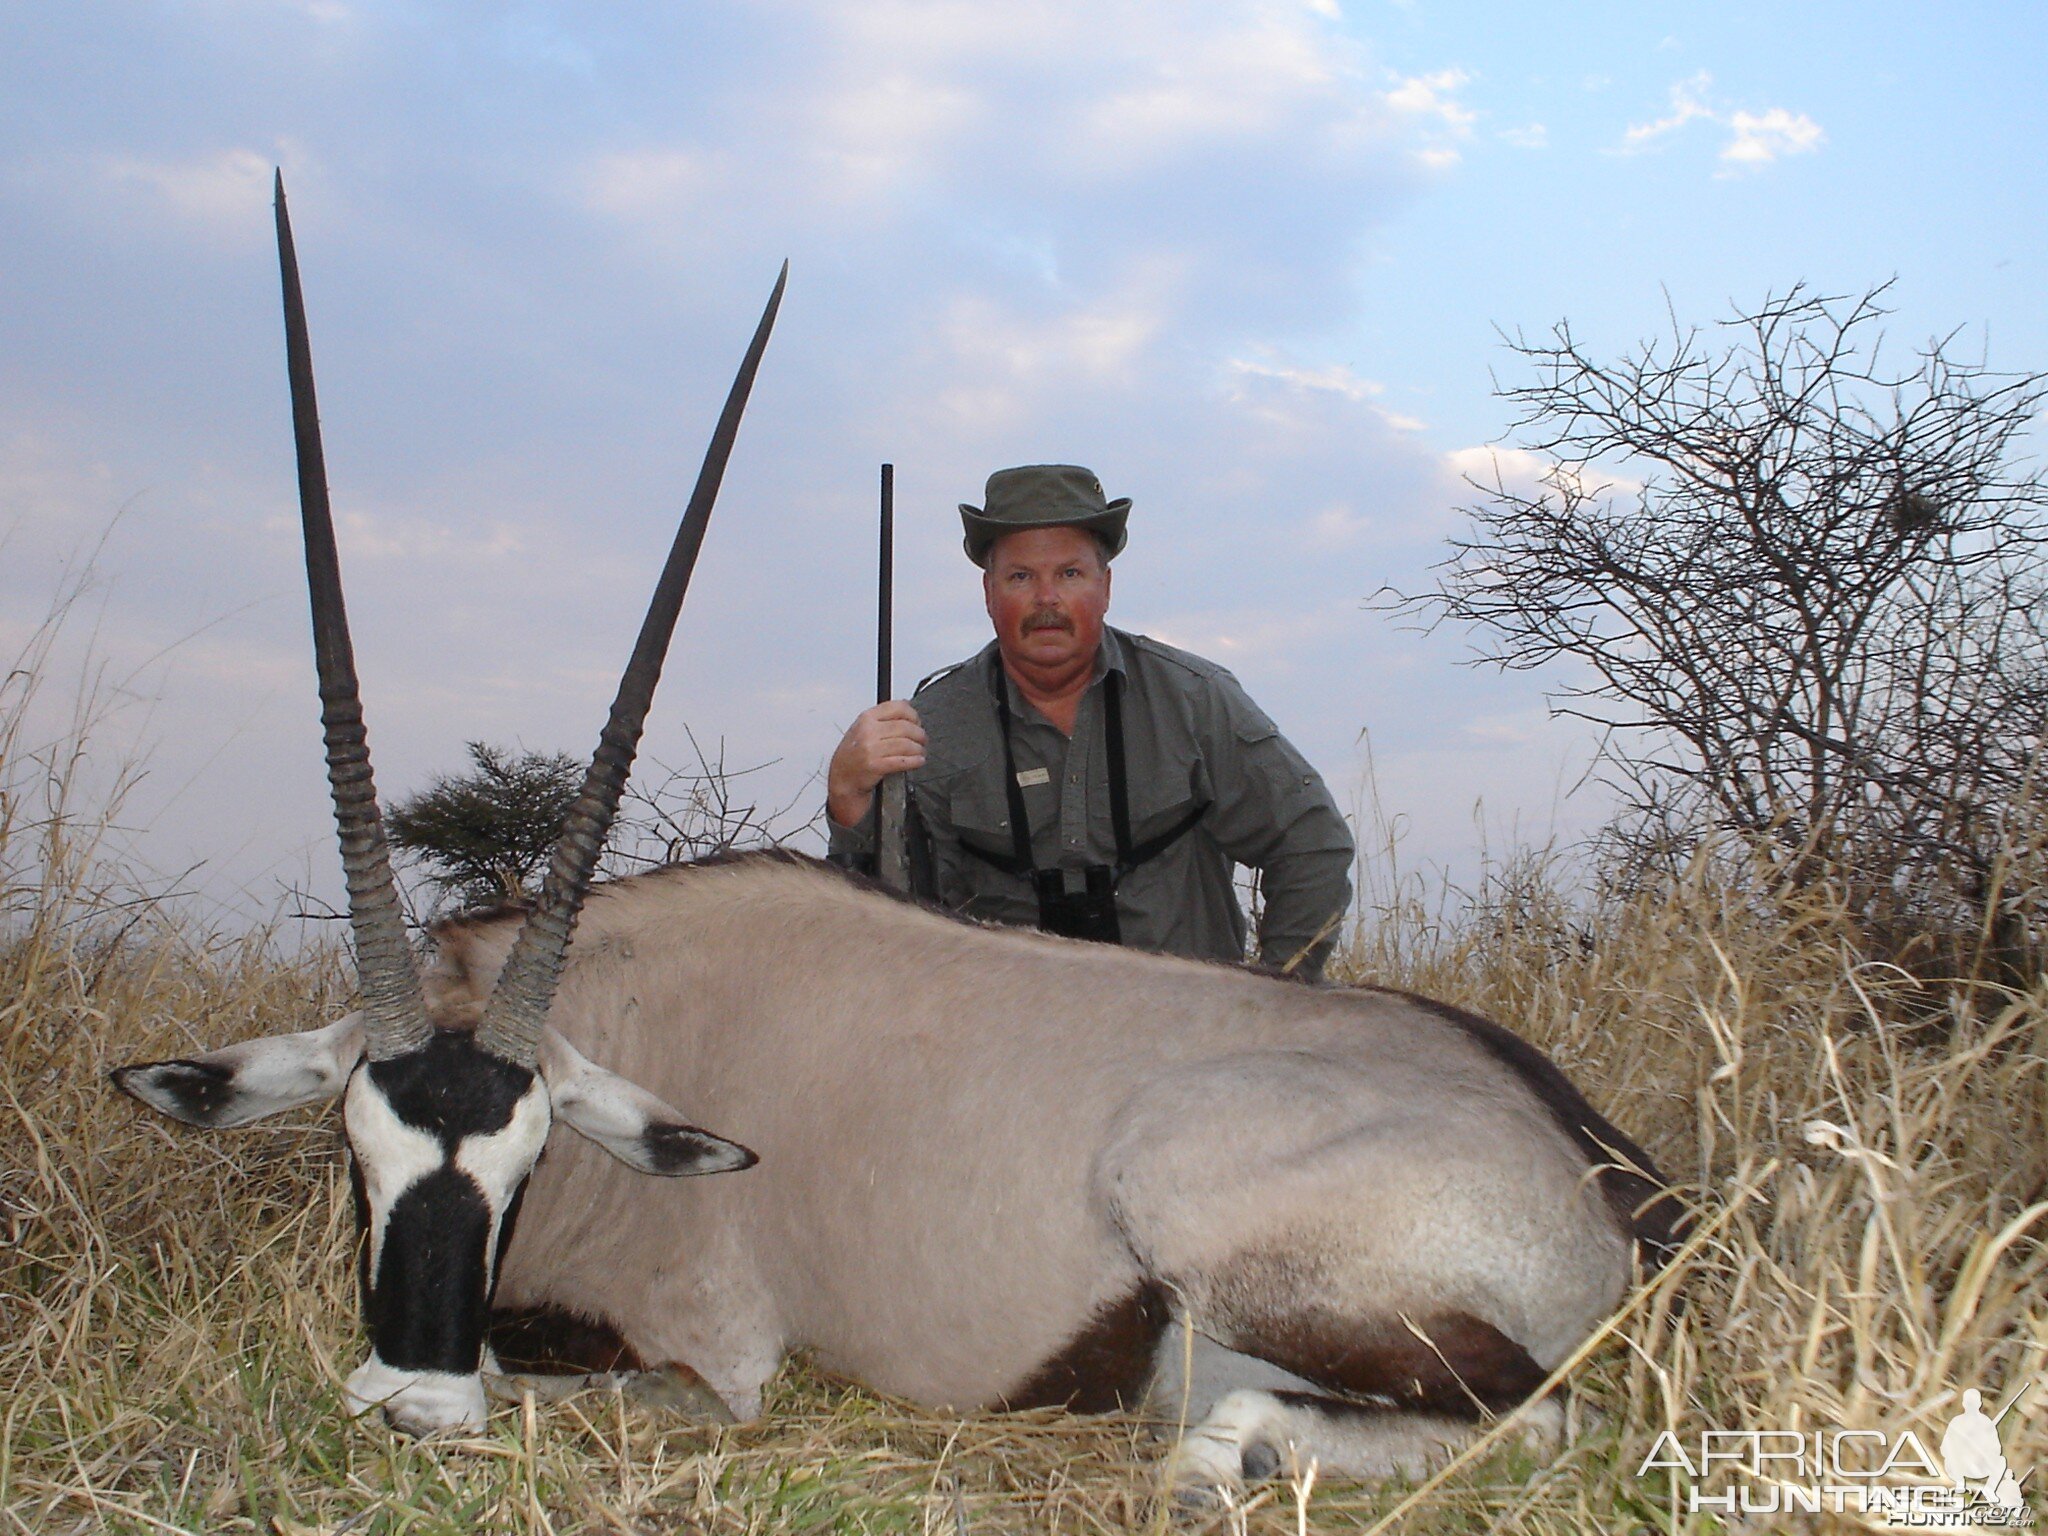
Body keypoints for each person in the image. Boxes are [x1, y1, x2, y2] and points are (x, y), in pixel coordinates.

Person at [827, 463, 1354, 980]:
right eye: (1020, 577)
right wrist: (850, 801)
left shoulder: (1195, 699)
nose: (1047, 599)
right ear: (989, 595)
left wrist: (1275, 997)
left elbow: (1312, 842)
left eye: (1070, 574)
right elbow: (891, 918)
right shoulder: (926, 729)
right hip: (1008, 1042)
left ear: (1105, 587)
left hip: (1188, 1038)